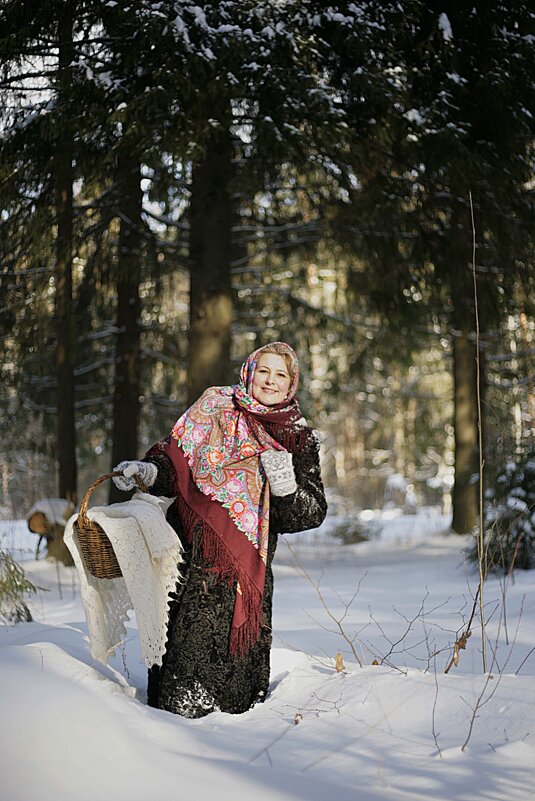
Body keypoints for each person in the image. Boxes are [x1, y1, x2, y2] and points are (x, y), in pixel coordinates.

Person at [112, 341, 327, 718]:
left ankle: (231, 747)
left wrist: (286, 487)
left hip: (246, 575)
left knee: (233, 693)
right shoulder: (215, 406)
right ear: (249, 370)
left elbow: (310, 513)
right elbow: (173, 462)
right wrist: (148, 472)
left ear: (292, 382)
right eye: (264, 370)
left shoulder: (298, 437)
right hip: (186, 563)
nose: (271, 381)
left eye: (281, 374)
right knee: (177, 678)